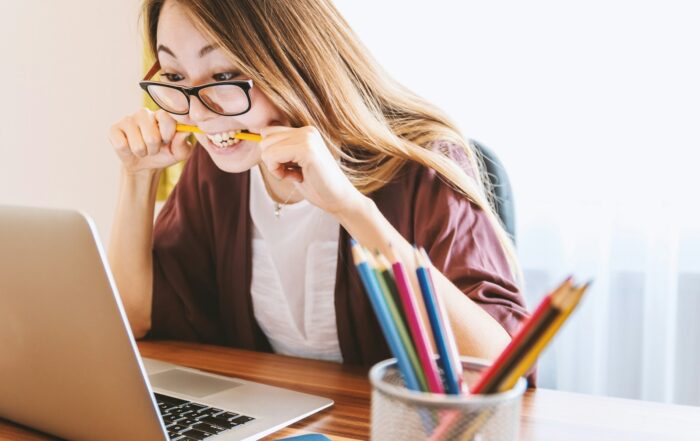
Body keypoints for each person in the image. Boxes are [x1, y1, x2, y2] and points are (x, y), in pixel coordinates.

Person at [107, 0, 530, 367]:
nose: (199, 114)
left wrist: (352, 208)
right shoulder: (217, 170)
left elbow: (498, 366)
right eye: (177, 78)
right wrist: (138, 177)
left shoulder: (422, 165)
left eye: (222, 77)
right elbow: (134, 318)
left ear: (294, 60)